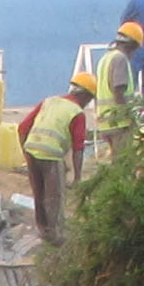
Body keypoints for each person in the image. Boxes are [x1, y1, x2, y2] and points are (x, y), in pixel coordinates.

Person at [22, 74, 95, 242]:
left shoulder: (49, 101)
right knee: (55, 196)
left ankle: (42, 229)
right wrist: (77, 176)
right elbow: (78, 148)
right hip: (51, 155)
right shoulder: (77, 113)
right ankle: (56, 235)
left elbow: (23, 127)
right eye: (89, 99)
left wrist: (25, 152)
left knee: (38, 193)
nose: (87, 103)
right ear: (84, 95)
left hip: (31, 149)